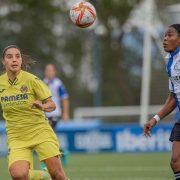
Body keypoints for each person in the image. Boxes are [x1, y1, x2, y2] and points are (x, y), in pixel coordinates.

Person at [0, 45, 69, 180]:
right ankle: (43, 176)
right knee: (18, 175)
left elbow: (52, 105)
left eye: (17, 56)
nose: (14, 60)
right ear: (4, 62)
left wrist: (43, 106)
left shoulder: (32, 80)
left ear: (21, 61)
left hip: (40, 132)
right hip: (17, 137)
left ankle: (49, 175)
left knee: (58, 175)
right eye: (9, 57)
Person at [143, 24, 180, 180]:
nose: (165, 39)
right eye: (165, 35)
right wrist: (154, 119)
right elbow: (173, 96)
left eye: (170, 35)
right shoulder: (170, 62)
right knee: (176, 161)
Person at [43, 64, 69, 166]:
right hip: (44, 113)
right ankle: (62, 152)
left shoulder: (58, 84)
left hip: (55, 113)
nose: (49, 72)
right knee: (49, 137)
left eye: (51, 70)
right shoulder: (42, 83)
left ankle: (47, 161)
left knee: (48, 135)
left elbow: (64, 98)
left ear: (54, 72)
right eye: (47, 70)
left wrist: (66, 113)